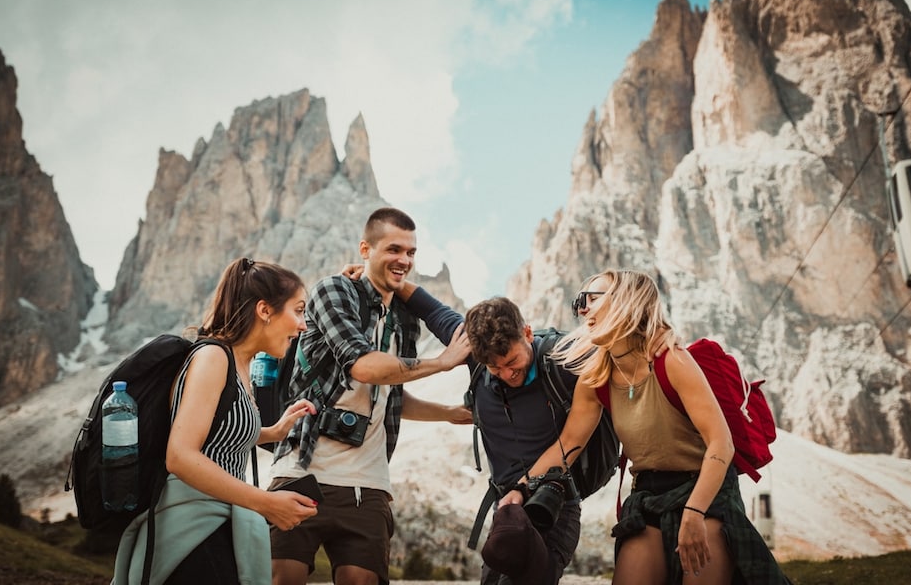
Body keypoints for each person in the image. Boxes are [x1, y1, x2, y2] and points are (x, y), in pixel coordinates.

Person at [516, 269, 791, 585]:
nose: (582, 309)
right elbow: (567, 445)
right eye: (580, 301)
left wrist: (696, 512)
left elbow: (721, 444)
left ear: (626, 301)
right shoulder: (596, 379)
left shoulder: (671, 360)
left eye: (592, 299)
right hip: (647, 494)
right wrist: (519, 489)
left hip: (704, 489)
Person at [268, 207, 472, 585]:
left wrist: (448, 413)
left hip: (369, 484)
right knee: (283, 578)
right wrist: (441, 363)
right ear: (366, 248)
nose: (404, 260)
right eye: (394, 249)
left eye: (411, 252)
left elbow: (390, 394)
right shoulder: (334, 291)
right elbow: (362, 366)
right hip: (303, 469)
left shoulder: (406, 318)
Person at [113, 257, 320, 584]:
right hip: (191, 532)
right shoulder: (213, 357)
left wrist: (272, 431)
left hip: (219, 524)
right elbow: (180, 457)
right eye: (298, 310)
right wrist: (267, 503)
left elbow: (216, 436)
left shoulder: (239, 365)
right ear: (265, 311)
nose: (303, 324)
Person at [398, 287, 585, 585]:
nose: (506, 374)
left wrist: (523, 489)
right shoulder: (476, 353)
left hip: (553, 507)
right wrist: (385, 277)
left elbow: (577, 435)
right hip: (507, 510)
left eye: (512, 362)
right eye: (493, 368)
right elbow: (432, 311)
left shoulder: (561, 363)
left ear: (526, 333)